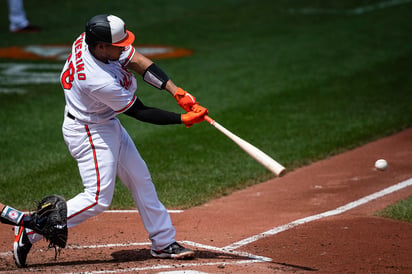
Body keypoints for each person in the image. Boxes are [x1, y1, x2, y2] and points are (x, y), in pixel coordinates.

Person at [12, 14, 208, 267]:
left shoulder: (91, 41)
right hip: (89, 131)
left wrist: (175, 90)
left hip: (104, 121)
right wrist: (184, 119)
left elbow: (137, 60)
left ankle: (163, 243)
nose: (124, 47)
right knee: (96, 199)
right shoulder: (97, 80)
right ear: (101, 46)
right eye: (118, 45)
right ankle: (31, 230)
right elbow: (139, 111)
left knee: (140, 177)